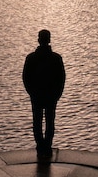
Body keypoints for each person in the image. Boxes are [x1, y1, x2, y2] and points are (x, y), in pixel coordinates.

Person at [22, 29, 66, 158]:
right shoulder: (56, 58)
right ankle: (47, 145)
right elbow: (61, 78)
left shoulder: (31, 58)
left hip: (37, 95)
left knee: (37, 120)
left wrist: (31, 93)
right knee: (49, 121)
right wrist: (57, 94)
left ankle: (40, 145)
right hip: (50, 95)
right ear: (49, 40)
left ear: (39, 40)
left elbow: (26, 78)